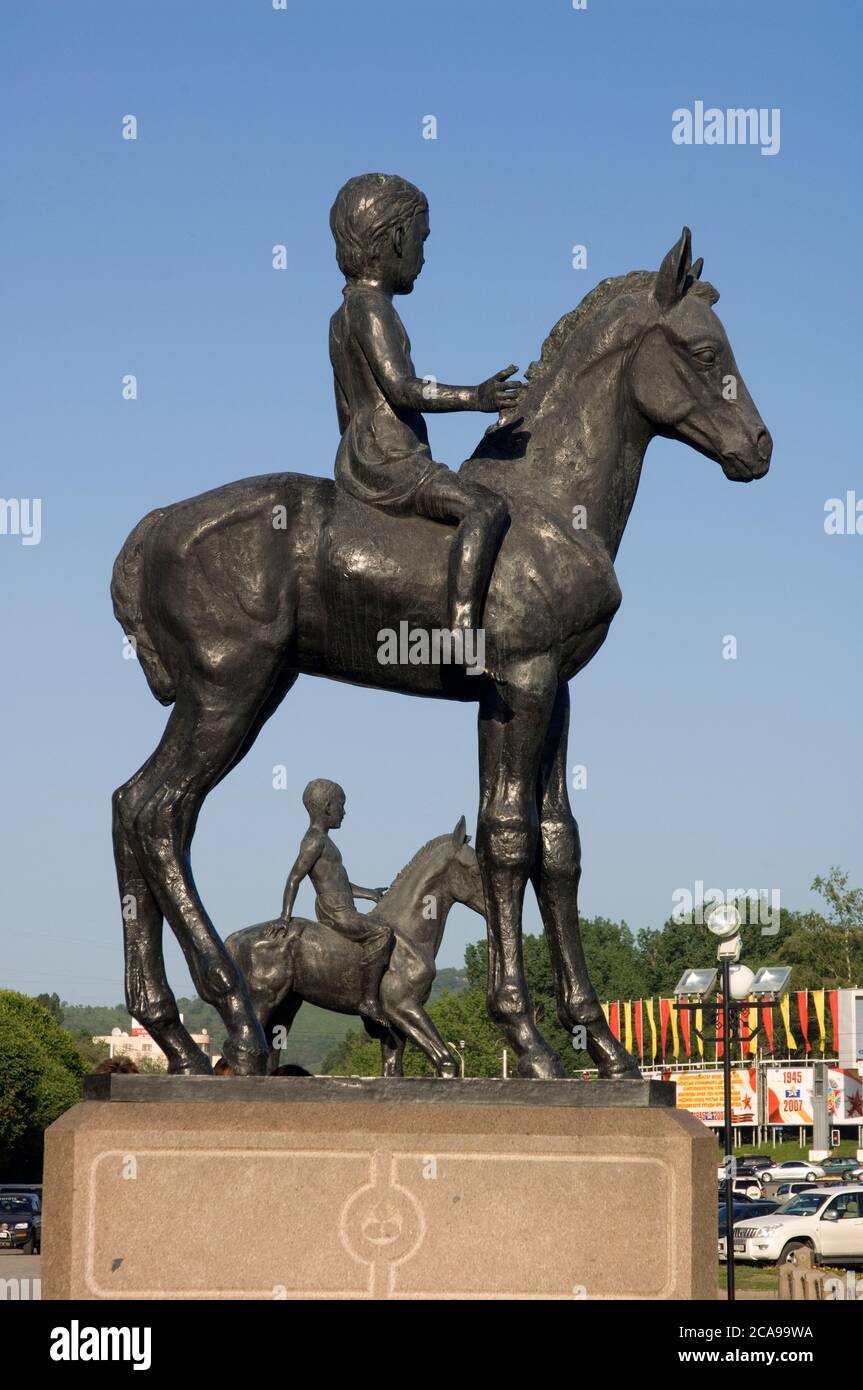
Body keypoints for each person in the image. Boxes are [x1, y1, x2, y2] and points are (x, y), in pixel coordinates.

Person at [328, 172, 522, 642]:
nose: (423, 257)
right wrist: (475, 397)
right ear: (396, 239)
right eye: (422, 240)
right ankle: (461, 632)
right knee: (486, 508)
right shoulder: (372, 309)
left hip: (363, 456)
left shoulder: (345, 311)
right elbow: (404, 389)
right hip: (389, 464)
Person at [266, 779, 393, 1028]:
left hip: (341, 903)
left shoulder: (326, 841)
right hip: (335, 911)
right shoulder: (314, 840)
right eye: (341, 806)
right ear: (327, 807)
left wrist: (371, 894)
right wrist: (285, 916)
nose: (344, 812)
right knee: (382, 932)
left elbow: (341, 884)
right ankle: (368, 1000)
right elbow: (294, 877)